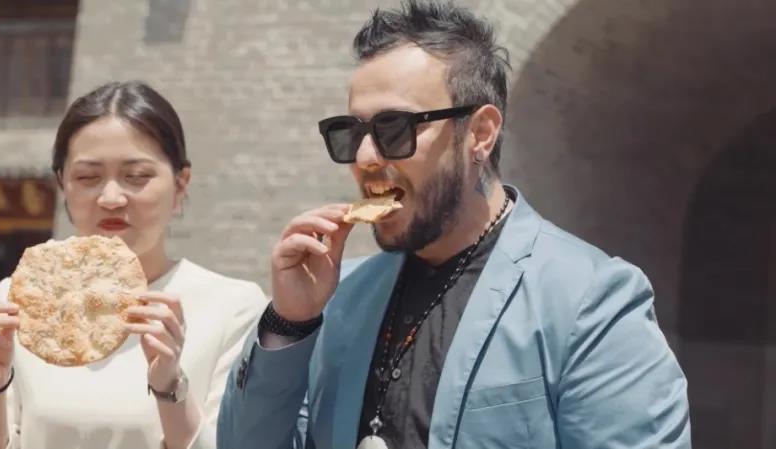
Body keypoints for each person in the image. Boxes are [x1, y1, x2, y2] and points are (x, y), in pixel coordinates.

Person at [217, 2, 691, 448]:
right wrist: (291, 323)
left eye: (395, 129)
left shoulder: (590, 300)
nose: (364, 157)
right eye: (351, 133)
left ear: (480, 134)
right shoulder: (342, 297)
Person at [0, 81, 267, 449]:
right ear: (62, 185)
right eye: (88, 177)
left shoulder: (233, 308)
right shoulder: (20, 299)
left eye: (137, 176)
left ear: (180, 184)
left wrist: (169, 388)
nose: (111, 197)